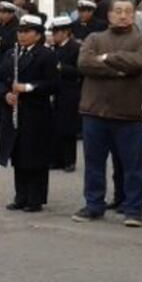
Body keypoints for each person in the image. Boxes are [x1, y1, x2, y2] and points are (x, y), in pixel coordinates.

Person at [72, 0, 142, 227]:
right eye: (117, 11)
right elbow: (84, 63)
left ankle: (133, 209)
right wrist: (119, 69)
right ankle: (94, 204)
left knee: (133, 166)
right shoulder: (94, 37)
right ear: (109, 15)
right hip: (94, 112)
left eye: (128, 11)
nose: (122, 15)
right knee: (94, 164)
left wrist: (105, 59)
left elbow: (138, 62)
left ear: (134, 15)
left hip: (129, 114)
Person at [0, 15, 59, 212]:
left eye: (27, 32)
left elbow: (53, 85)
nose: (22, 36)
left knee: (35, 156)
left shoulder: (46, 55)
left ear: (38, 35)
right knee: (19, 155)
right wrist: (6, 94)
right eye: (20, 32)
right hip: (14, 111)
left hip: (36, 113)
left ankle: (36, 198)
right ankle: (21, 195)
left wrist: (28, 87)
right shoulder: (11, 54)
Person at [49, 16, 81, 172]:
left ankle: (69, 160)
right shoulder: (54, 48)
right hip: (55, 90)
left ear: (66, 32)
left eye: (57, 32)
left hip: (69, 91)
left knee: (68, 128)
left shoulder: (75, 48)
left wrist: (61, 67)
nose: (54, 35)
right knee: (54, 127)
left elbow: (79, 71)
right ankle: (56, 159)